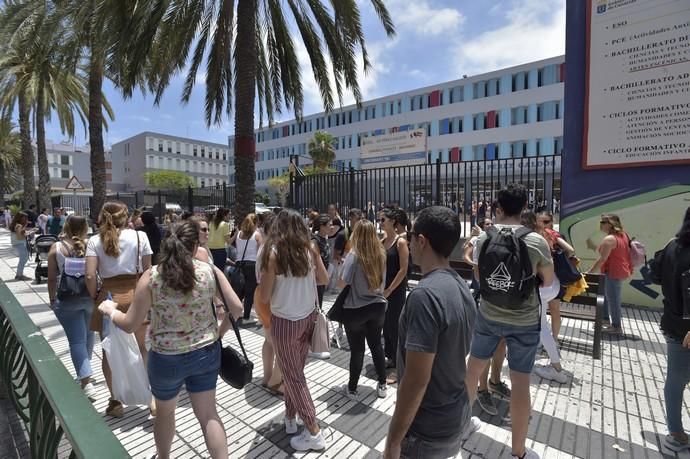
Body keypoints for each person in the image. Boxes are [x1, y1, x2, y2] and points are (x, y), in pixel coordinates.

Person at [98, 220, 243, 459]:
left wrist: (111, 310)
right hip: (205, 353)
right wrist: (218, 334)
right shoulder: (209, 270)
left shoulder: (152, 276)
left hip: (165, 358)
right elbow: (236, 308)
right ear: (195, 245)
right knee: (208, 414)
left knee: (165, 414)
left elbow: (130, 324)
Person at [465, 183, 554, 459]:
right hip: (525, 321)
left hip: (489, 314)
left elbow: (480, 279)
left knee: (472, 369)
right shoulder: (536, 241)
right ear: (525, 207)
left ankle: (461, 425)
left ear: (498, 208)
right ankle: (518, 451)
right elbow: (549, 282)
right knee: (520, 382)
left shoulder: (484, 238)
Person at [383, 206, 477, 459]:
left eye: (411, 235)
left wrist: (393, 441)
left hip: (426, 429)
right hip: (454, 414)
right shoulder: (460, 285)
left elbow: (416, 380)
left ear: (421, 241)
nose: (408, 241)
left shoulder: (424, 296)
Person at [257, 209, 329, 452]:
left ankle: (313, 430)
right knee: (293, 373)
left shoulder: (273, 253)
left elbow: (265, 296)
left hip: (285, 321)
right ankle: (290, 418)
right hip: (307, 318)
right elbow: (324, 279)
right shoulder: (310, 249)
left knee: (294, 377)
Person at [85, 201, 154, 418]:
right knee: (143, 347)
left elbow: (89, 275)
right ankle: (150, 398)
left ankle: (115, 402)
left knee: (109, 351)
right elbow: (148, 271)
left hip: (108, 298)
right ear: (126, 217)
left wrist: (96, 296)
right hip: (136, 295)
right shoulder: (139, 237)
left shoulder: (94, 241)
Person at [651, 207, 690, 452]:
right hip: (683, 326)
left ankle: (675, 431)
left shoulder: (672, 245)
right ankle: (675, 433)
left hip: (673, 322)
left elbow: (654, 275)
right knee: (676, 378)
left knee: (675, 378)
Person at [463, 217, 511, 416]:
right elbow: (476, 274)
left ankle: (495, 381)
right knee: (485, 349)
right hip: (489, 302)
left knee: (501, 344)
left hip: (505, 303)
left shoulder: (513, 239)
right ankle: (482, 389)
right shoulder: (481, 240)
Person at [47, 215, 97, 399]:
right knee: (89, 333)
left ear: (66, 226)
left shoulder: (56, 247)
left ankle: (87, 382)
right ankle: (86, 369)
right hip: (90, 297)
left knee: (76, 340)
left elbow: (52, 277)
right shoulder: (91, 245)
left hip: (67, 298)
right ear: (85, 228)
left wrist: (52, 299)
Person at [337, 220, 388, 399]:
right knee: (376, 346)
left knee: (357, 350)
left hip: (355, 308)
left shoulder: (354, 254)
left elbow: (342, 282)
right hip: (378, 306)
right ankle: (382, 384)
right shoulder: (381, 253)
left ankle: (352, 388)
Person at [522, 211, 569, 384]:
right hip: (550, 285)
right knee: (539, 323)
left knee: (541, 327)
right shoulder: (544, 235)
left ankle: (557, 369)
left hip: (542, 287)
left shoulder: (530, 239)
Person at [589, 214, 633, 334]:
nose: (601, 224)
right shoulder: (623, 235)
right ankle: (604, 320)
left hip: (613, 272)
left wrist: (590, 272)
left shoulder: (609, 239)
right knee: (606, 296)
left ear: (611, 224)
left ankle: (616, 326)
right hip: (618, 270)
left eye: (603, 222)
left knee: (613, 298)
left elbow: (602, 259)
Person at [255, 214, 283, 395]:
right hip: (272, 297)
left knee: (268, 339)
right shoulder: (273, 251)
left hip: (260, 294)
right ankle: (276, 381)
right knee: (279, 342)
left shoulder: (263, 248)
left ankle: (267, 376)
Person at [380, 207, 409, 378]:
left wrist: (390, 289)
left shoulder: (400, 242)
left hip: (395, 290)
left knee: (396, 326)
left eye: (383, 220)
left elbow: (403, 269)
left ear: (392, 221)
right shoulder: (383, 241)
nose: (380, 223)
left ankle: (400, 367)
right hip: (383, 290)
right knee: (386, 326)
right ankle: (390, 357)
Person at [229, 213, 262, 323]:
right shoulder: (256, 235)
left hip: (239, 264)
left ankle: (236, 314)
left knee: (239, 290)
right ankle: (246, 316)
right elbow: (262, 251)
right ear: (256, 223)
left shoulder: (239, 235)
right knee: (250, 292)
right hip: (252, 265)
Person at [311, 215, 332, 307]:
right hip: (317, 279)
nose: (332, 227)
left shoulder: (325, 239)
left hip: (323, 277)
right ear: (322, 226)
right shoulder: (315, 241)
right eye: (329, 225)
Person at [10, 211, 36, 281]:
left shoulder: (17, 225)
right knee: (23, 259)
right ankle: (19, 275)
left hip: (18, 243)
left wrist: (30, 231)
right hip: (20, 244)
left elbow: (21, 234)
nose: (26, 219)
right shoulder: (19, 225)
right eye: (25, 218)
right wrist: (29, 233)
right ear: (21, 218)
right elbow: (20, 237)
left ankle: (19, 274)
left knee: (24, 258)